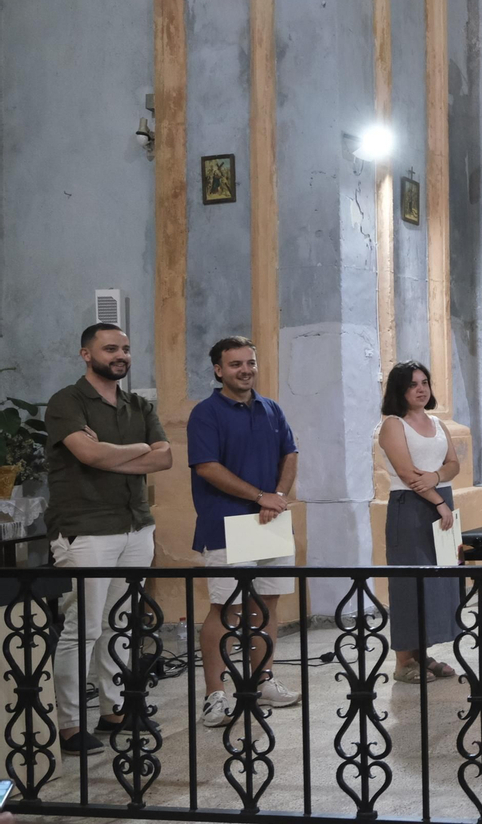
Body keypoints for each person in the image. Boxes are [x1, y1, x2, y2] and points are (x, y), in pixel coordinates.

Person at [44, 323, 173, 756]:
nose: (121, 355)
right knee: (83, 628)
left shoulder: (138, 404)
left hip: (136, 524)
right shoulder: (68, 401)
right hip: (86, 528)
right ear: (86, 354)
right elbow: (88, 454)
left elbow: (166, 456)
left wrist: (113, 455)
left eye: (126, 349)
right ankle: (70, 725)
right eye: (110, 348)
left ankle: (114, 708)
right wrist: (139, 450)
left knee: (120, 624)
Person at [187, 336, 302, 727]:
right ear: (219, 370)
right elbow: (207, 467)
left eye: (250, 362)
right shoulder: (206, 413)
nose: (245, 370)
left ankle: (262, 680)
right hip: (226, 523)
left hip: (270, 520)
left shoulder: (271, 409)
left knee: (268, 601)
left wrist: (279, 495)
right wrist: (261, 496)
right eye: (235, 364)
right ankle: (215, 695)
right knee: (227, 607)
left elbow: (290, 453)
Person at [378, 361, 463, 682]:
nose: (421, 388)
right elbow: (406, 472)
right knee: (410, 584)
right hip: (411, 508)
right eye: (413, 384)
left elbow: (453, 464)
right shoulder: (393, 424)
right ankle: (403, 662)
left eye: (425, 382)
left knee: (437, 584)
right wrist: (439, 501)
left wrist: (438, 477)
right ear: (400, 390)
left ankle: (422, 656)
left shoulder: (438, 424)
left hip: (441, 503)